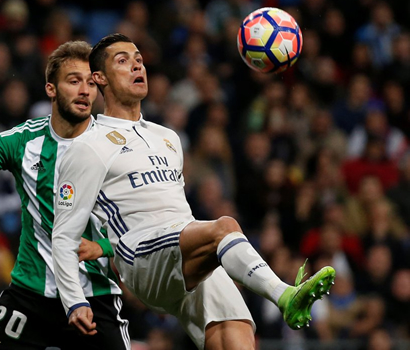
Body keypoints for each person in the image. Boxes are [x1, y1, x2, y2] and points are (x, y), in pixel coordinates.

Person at [52, 33, 336, 350]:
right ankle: (285, 295)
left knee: (236, 336)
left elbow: (175, 209)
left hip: (185, 250)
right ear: (99, 78)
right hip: (141, 255)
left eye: (139, 60)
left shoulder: (168, 138)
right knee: (224, 226)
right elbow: (64, 235)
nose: (136, 66)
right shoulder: (87, 146)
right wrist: (73, 299)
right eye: (123, 61)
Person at [0, 41, 130, 350]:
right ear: (51, 89)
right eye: (74, 81)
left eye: (91, 83)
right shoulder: (21, 140)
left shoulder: (117, 145)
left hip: (95, 294)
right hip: (30, 294)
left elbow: (139, 222)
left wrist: (102, 247)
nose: (85, 91)